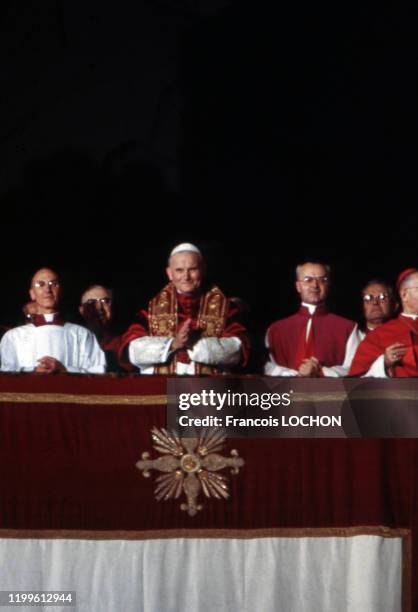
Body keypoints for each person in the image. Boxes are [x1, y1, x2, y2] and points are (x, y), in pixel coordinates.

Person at [119, 243, 248, 374]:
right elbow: (132, 350)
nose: (186, 277)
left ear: (203, 269)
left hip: (208, 390)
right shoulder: (149, 311)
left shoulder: (226, 308)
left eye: (192, 269)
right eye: (179, 270)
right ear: (169, 273)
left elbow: (239, 349)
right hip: (161, 388)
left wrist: (197, 345)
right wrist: (173, 344)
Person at [0, 268, 106, 373]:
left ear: (60, 291)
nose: (48, 289)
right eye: (40, 284)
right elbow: (5, 373)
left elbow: (98, 371)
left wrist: (66, 370)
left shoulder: (82, 334)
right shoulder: (13, 337)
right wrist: (33, 371)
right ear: (32, 294)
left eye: (53, 284)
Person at [265, 261, 360, 377]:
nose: (315, 285)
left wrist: (321, 372)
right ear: (298, 286)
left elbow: (355, 367)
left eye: (322, 280)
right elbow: (267, 366)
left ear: (328, 285)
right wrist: (294, 374)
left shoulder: (348, 327)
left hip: (331, 393)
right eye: (308, 280)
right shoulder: (275, 330)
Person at [349, 268, 418, 377]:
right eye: (368, 298)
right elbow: (355, 382)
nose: (375, 303)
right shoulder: (377, 336)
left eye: (382, 298)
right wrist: (384, 363)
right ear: (404, 295)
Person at [79, 284, 124, 372]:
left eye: (105, 301)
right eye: (92, 302)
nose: (99, 307)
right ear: (81, 310)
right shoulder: (74, 341)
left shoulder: (123, 344)